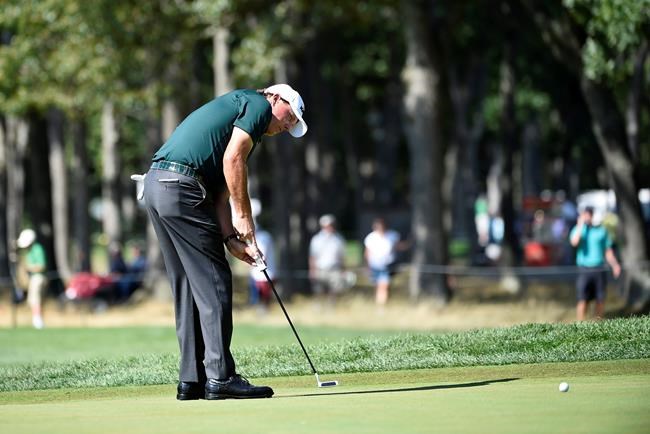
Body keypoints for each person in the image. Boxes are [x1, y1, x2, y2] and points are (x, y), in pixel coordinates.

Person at [143, 84, 306, 401]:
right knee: (214, 282)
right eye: (290, 116)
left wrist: (231, 238)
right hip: (182, 188)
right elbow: (234, 161)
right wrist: (243, 216)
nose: (289, 126)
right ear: (276, 97)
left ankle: (192, 380)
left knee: (190, 286)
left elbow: (218, 189)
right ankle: (220, 377)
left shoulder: (238, 112)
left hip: (158, 185)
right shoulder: (257, 106)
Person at [569, 206, 621, 321]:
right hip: (584, 269)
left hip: (599, 268)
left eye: (589, 214)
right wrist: (580, 225)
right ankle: (580, 324)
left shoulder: (601, 230)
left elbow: (608, 250)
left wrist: (615, 265)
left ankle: (598, 324)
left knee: (600, 299)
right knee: (582, 299)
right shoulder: (579, 229)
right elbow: (574, 242)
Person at [308, 214, 346, 306]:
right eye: (327, 226)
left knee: (334, 290)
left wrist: (344, 269)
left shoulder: (338, 239)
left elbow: (342, 256)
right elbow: (312, 256)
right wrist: (312, 270)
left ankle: (331, 306)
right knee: (319, 290)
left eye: (331, 225)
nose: (329, 227)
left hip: (334, 268)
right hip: (320, 268)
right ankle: (318, 306)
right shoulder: (317, 239)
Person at [364, 218, 400, 307]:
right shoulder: (371, 237)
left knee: (384, 286)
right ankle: (380, 305)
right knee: (378, 286)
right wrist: (368, 266)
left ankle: (382, 306)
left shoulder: (392, 235)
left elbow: (398, 247)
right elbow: (367, 253)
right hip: (375, 265)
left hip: (387, 265)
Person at [16, 229, 47, 329]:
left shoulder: (37, 249)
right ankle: (37, 319)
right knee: (32, 300)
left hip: (38, 277)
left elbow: (41, 266)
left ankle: (37, 320)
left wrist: (28, 267)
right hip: (33, 277)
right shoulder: (29, 252)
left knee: (35, 299)